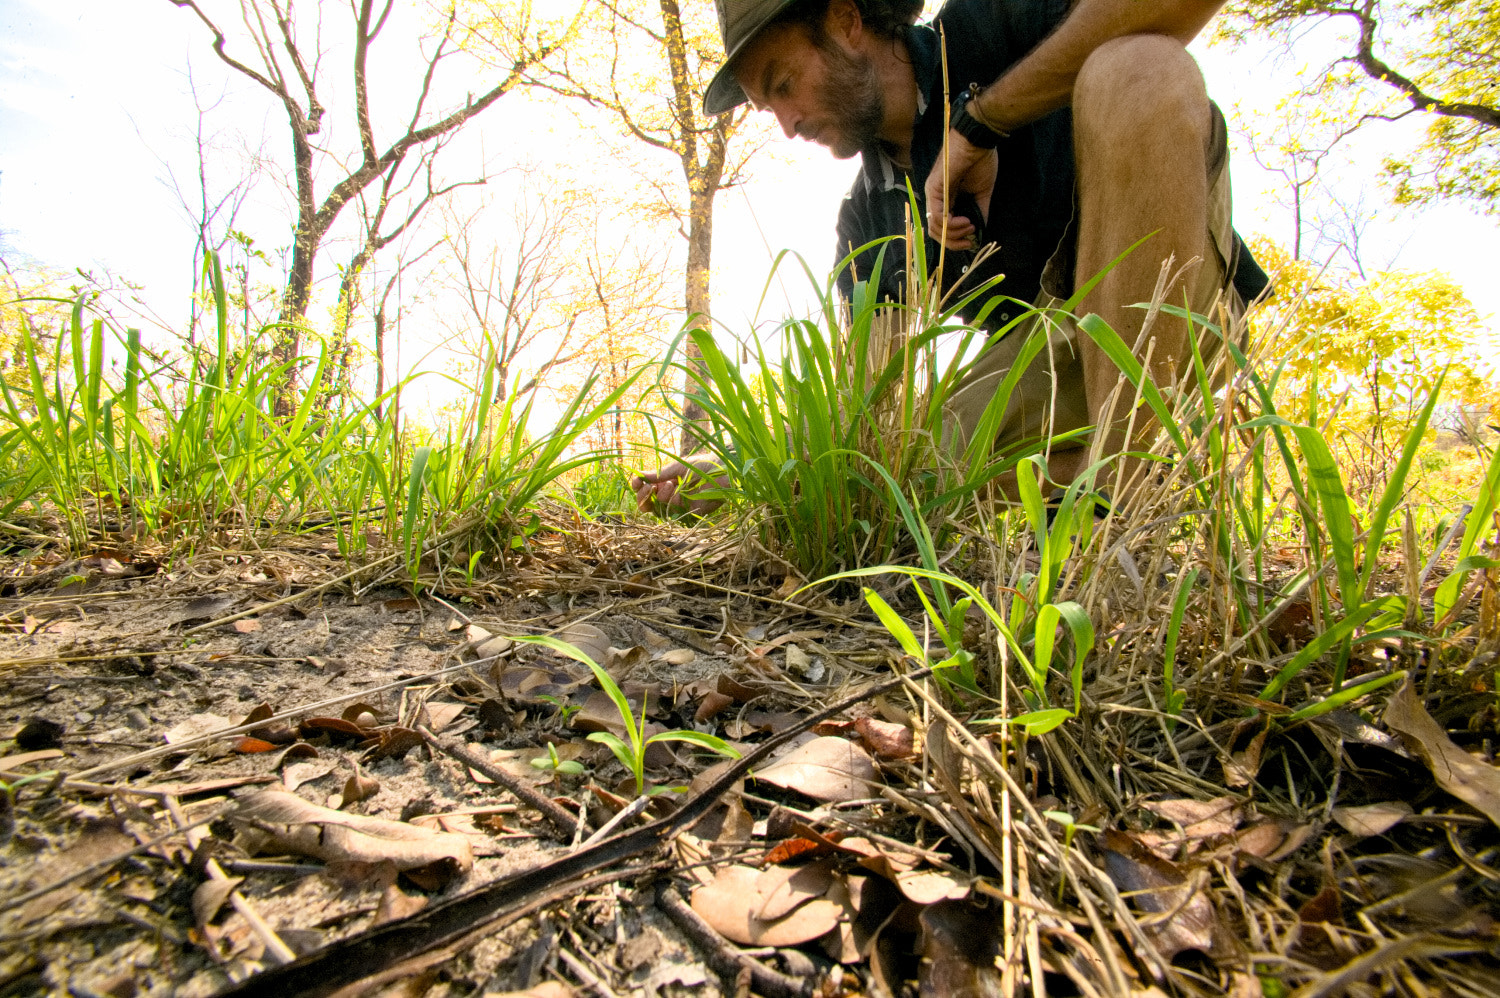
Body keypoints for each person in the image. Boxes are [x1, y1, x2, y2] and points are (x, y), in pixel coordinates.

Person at [632, 0, 1267, 512]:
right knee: (897, 465)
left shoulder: (985, 30)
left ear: (846, 20)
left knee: (1141, 67)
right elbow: (863, 408)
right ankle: (1103, 476)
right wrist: (737, 465)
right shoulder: (868, 220)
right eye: (769, 109)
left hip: (1175, 315)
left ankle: (1119, 496)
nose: (788, 125)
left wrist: (983, 121)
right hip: (1048, 367)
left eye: (785, 85)